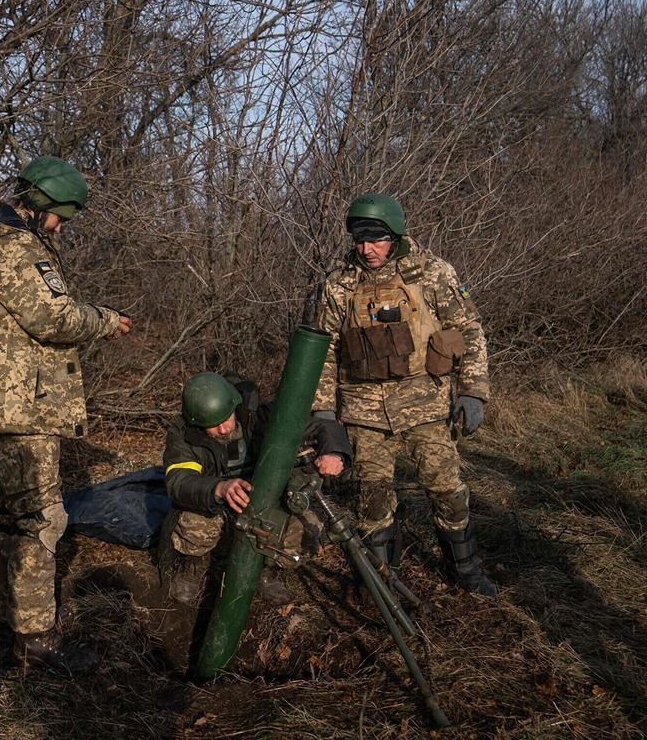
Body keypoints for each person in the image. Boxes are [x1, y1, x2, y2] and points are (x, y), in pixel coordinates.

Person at [0, 156, 131, 674]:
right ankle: (35, 638)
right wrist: (106, 320)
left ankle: (6, 618)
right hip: (22, 406)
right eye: (62, 216)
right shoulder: (15, 249)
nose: (61, 228)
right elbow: (54, 317)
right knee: (40, 519)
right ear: (43, 203)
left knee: (7, 515)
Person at [310, 192, 497, 596]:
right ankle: (383, 583)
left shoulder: (430, 273)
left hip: (425, 405)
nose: (367, 249)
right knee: (372, 499)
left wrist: (473, 391)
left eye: (376, 240)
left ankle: (466, 571)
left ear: (394, 235)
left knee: (447, 489)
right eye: (360, 240)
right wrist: (322, 410)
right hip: (364, 413)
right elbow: (322, 351)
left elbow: (468, 330)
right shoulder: (340, 284)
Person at [159, 371, 351, 604]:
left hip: (267, 501)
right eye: (213, 425)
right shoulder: (183, 434)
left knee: (305, 530)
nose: (223, 429)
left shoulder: (261, 415)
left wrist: (334, 452)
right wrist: (219, 488)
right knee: (193, 522)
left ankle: (267, 570)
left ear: (234, 406)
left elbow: (322, 427)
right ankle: (193, 567)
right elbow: (179, 481)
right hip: (217, 504)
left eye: (225, 419)